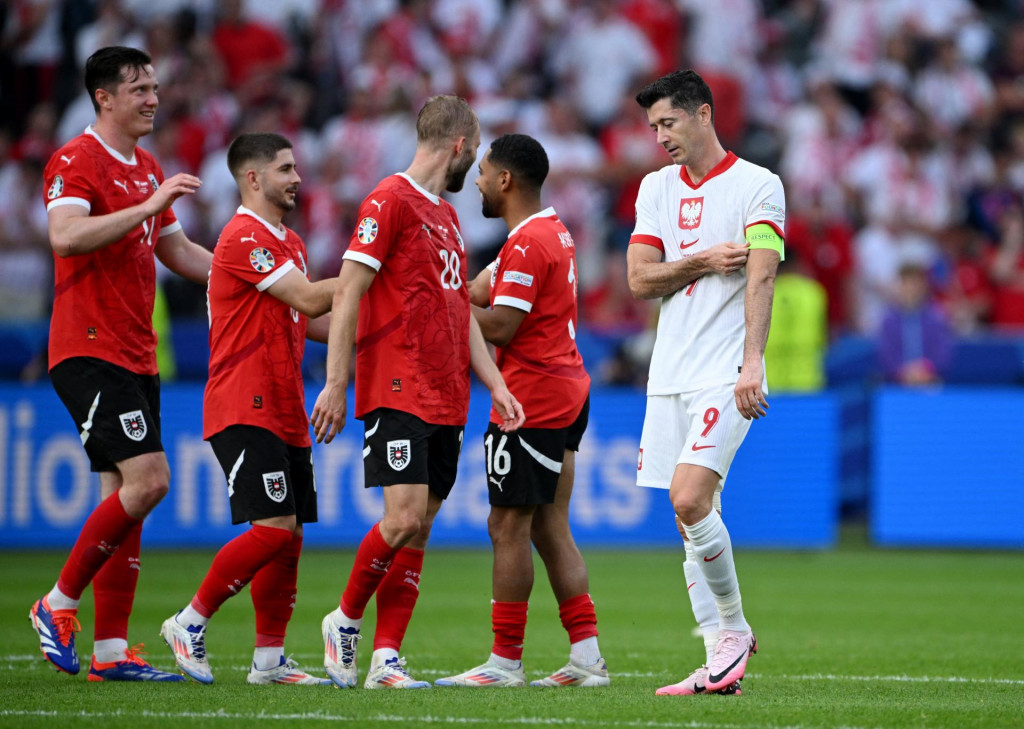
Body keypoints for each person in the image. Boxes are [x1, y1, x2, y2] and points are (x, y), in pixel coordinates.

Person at [310, 95, 525, 690]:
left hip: (447, 394)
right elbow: (349, 291)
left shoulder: (448, 219)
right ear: (459, 146)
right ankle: (344, 619)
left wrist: (496, 384)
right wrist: (336, 382)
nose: (473, 164)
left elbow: (460, 316)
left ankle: (386, 660)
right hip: (397, 386)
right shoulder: (389, 199)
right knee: (401, 518)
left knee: (420, 527)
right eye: (474, 151)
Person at [30, 46, 212, 682]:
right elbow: (66, 237)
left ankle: (111, 652)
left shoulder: (147, 167)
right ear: (103, 97)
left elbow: (178, 250)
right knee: (152, 480)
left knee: (125, 496)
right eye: (139, 90)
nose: (153, 99)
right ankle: (55, 603)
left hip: (136, 352)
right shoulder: (75, 160)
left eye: (155, 87)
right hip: (87, 347)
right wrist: (148, 202)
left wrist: (257, 277)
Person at [626, 70, 785, 697]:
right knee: (691, 517)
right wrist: (698, 261)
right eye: (653, 128)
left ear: (704, 114)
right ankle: (718, 658)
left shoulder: (758, 185)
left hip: (725, 370)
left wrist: (753, 362)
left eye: (668, 122)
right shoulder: (655, 188)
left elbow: (762, 276)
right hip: (670, 373)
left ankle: (735, 632)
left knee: (689, 499)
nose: (660, 136)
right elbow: (640, 280)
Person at [158, 133, 336, 686]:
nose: (296, 177)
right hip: (244, 402)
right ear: (253, 178)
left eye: (296, 166)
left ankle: (269, 661)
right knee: (275, 527)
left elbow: (310, 322)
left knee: (291, 535)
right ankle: (189, 621)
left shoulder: (292, 244)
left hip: (286, 405)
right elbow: (310, 298)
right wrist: (373, 273)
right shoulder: (241, 238)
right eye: (285, 168)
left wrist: (378, 333)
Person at [435, 134, 608, 689]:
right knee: (550, 526)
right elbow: (477, 292)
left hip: (530, 402)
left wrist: (440, 309)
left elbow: (501, 324)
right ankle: (586, 658)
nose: (479, 181)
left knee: (507, 525)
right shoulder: (544, 233)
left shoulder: (529, 243)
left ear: (506, 180)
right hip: (564, 392)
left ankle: (505, 661)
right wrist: (452, 295)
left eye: (484, 172)